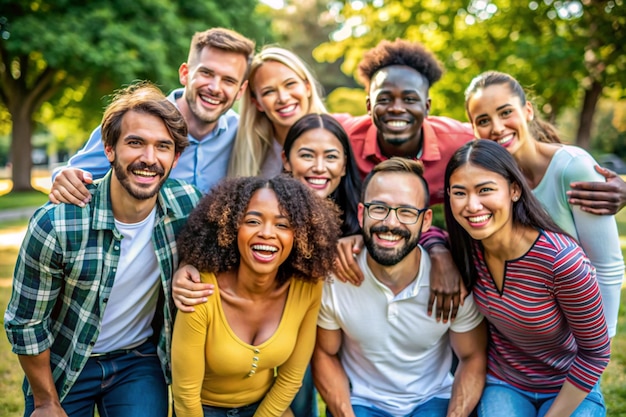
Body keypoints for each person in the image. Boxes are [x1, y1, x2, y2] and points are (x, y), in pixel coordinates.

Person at [4, 82, 202, 417]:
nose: (148, 159)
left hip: (137, 362)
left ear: (176, 157)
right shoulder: (57, 223)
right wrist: (45, 402)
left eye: (163, 147)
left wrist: (189, 264)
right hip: (63, 364)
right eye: (135, 143)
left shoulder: (188, 205)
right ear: (109, 149)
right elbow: (26, 324)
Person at [444, 139, 611, 417]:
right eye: (459, 193)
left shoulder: (561, 261)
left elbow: (596, 354)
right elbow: (427, 235)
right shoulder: (466, 248)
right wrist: (439, 254)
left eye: (485, 190)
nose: (472, 205)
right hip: (505, 382)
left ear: (514, 190)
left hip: (568, 384)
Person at [312, 157, 487, 417]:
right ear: (362, 214)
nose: (391, 223)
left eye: (406, 212)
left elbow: (472, 356)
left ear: (426, 221)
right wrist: (344, 413)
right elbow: (325, 353)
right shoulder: (336, 278)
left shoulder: (451, 283)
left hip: (432, 401)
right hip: (362, 404)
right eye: (379, 208)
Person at [464, 71, 624, 337]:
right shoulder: (486, 181)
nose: (497, 127)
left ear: (527, 111)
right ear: (473, 130)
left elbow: (606, 265)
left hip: (577, 334)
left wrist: (598, 344)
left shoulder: (572, 168)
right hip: (522, 338)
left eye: (506, 112)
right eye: (483, 120)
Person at [171, 175, 341, 417]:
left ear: (300, 235)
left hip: (265, 409)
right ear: (231, 227)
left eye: (282, 225)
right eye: (252, 221)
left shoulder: (307, 287)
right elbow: (186, 395)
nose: (267, 233)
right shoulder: (201, 288)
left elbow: (291, 378)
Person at [49, 27, 255, 205]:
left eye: (228, 80)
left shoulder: (242, 136)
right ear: (185, 73)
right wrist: (64, 178)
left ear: (241, 90)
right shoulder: (134, 120)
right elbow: (74, 176)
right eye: (206, 73)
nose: (214, 88)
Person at [228, 46, 327, 178]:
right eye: (269, 91)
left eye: (290, 84)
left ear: (307, 87)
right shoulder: (250, 156)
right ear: (257, 103)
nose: (283, 98)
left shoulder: (337, 139)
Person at [282, 113, 362, 236]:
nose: (319, 168)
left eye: (331, 157)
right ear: (286, 160)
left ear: (344, 165)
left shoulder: (363, 223)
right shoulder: (270, 217)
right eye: (307, 155)